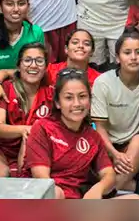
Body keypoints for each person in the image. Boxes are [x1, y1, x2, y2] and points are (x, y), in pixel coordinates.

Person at [26, 69, 121, 199]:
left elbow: (109, 174)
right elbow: (43, 182)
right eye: (69, 98)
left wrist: (98, 189)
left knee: (135, 201)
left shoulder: (93, 136)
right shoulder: (43, 128)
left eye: (82, 96)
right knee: (55, 194)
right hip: (48, 200)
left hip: (80, 199)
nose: (77, 104)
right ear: (58, 103)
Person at [90, 32, 139, 193]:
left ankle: (106, 190)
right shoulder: (103, 83)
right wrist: (115, 154)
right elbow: (99, 128)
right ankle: (136, 188)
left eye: (138, 52)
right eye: (127, 52)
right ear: (117, 58)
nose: (133, 57)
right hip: (107, 150)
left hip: (135, 154)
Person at [0, 42, 53, 177]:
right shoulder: (6, 88)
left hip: (36, 152)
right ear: (18, 66)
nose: (33, 65)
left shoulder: (51, 94)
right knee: (0, 175)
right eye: (27, 60)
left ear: (45, 68)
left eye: (39, 61)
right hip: (1, 150)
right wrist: (27, 130)